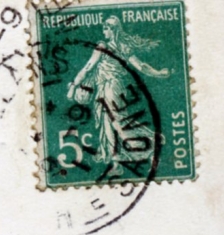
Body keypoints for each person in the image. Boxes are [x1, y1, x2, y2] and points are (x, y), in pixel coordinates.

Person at [66, 17, 170, 166]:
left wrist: (74, 86)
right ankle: (112, 156)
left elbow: (88, 67)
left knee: (117, 122)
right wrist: (158, 73)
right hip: (112, 88)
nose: (104, 31)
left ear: (113, 29)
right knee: (109, 121)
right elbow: (142, 66)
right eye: (103, 28)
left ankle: (150, 142)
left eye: (106, 28)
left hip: (110, 88)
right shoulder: (124, 47)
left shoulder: (103, 46)